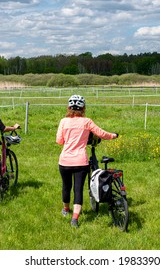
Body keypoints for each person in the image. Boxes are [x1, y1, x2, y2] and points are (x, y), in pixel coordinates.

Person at [56, 94, 118, 228]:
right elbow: (101, 134)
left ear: (69, 107)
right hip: (80, 161)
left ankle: (66, 209)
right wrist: (113, 135)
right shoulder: (87, 122)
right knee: (78, 189)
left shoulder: (63, 121)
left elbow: (59, 141)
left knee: (66, 186)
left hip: (65, 161)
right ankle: (75, 219)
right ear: (83, 108)